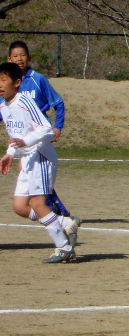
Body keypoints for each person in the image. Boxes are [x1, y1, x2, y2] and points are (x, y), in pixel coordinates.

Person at [0, 61, 80, 263]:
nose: (0, 84)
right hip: (28, 158)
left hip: (41, 155)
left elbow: (45, 128)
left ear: (17, 83)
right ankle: (65, 223)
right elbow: (16, 135)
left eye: (3, 80)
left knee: (38, 203)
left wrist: (26, 142)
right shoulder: (3, 106)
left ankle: (64, 248)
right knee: (20, 207)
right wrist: (9, 153)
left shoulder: (24, 101)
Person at [7, 40, 74, 218]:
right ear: (9, 59)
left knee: (26, 169)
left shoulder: (38, 79)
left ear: (28, 57)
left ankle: (56, 212)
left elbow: (58, 103)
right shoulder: (8, 84)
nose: (19, 59)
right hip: (22, 138)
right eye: (15, 56)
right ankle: (58, 212)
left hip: (39, 137)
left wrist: (58, 127)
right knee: (30, 174)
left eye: (22, 55)